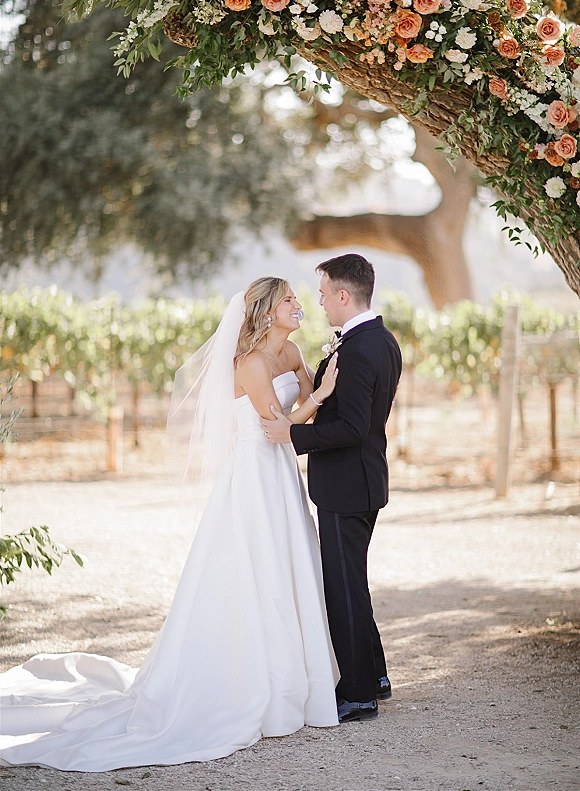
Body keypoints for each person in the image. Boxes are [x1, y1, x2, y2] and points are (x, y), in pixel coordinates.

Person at [0, 278, 340, 772]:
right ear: (267, 311)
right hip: (253, 473)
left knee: (292, 565)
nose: (298, 304)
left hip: (282, 476)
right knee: (256, 569)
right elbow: (275, 428)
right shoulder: (249, 363)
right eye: (289, 299)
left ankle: (301, 680)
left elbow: (304, 410)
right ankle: (257, 682)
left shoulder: (291, 352)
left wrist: (319, 388)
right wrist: (321, 393)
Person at [261, 254, 402, 723]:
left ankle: (358, 692)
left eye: (322, 294)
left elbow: (355, 427)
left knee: (342, 589)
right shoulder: (380, 340)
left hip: (347, 485)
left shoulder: (360, 348)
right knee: (351, 584)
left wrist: (293, 437)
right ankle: (375, 674)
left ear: (344, 295)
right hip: (360, 481)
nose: (318, 302)